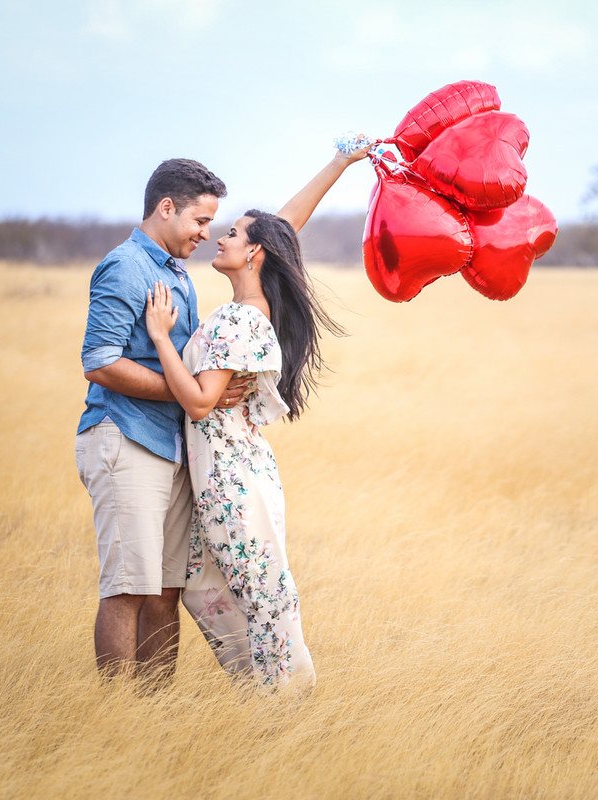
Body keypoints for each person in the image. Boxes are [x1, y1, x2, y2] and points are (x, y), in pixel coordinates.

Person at [144, 145, 370, 691]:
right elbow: (281, 227)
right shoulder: (249, 309)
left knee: (262, 594)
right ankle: (267, 693)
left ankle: (287, 699)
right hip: (233, 470)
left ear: (253, 254)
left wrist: (160, 338)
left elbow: (200, 402)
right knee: (223, 588)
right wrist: (338, 165)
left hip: (230, 478)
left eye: (231, 233)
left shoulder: (239, 320)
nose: (218, 238)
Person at [76, 158, 245, 681]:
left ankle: (154, 716)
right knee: (129, 588)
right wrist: (196, 395)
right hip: (126, 437)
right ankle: (115, 716)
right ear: (166, 208)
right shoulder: (126, 266)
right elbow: (100, 362)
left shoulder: (176, 273)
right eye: (200, 220)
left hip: (172, 447)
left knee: (165, 591)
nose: (206, 233)